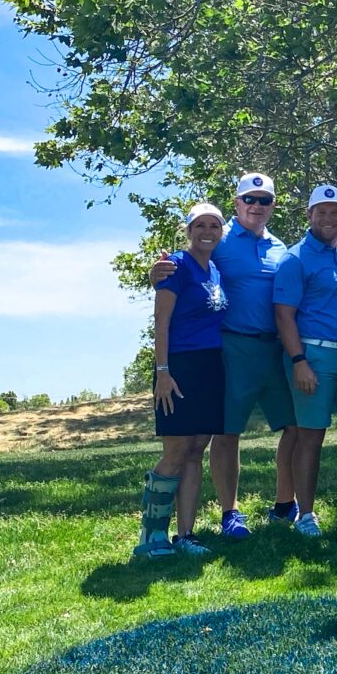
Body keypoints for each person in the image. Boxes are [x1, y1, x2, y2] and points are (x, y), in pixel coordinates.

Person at [148, 173, 299, 538]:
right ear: (237, 203)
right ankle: (228, 512)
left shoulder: (280, 248)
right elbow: (179, 270)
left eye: (265, 200)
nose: (257, 206)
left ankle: (284, 504)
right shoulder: (221, 240)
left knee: (295, 426)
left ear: (273, 206)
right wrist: (155, 272)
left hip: (274, 347)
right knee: (226, 432)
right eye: (250, 199)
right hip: (232, 347)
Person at [136, 203, 229, 559]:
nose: (207, 231)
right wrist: (162, 372)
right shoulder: (175, 267)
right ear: (188, 231)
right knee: (175, 452)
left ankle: (185, 535)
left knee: (196, 450)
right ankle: (151, 535)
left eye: (214, 225)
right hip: (178, 367)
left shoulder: (216, 270)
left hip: (210, 367)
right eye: (199, 225)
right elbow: (162, 324)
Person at [273, 184, 337, 538]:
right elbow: (284, 315)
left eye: (335, 211)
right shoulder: (294, 258)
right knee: (310, 437)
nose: (327, 217)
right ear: (309, 215)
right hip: (313, 354)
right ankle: (305, 514)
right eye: (320, 211)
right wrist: (299, 361)